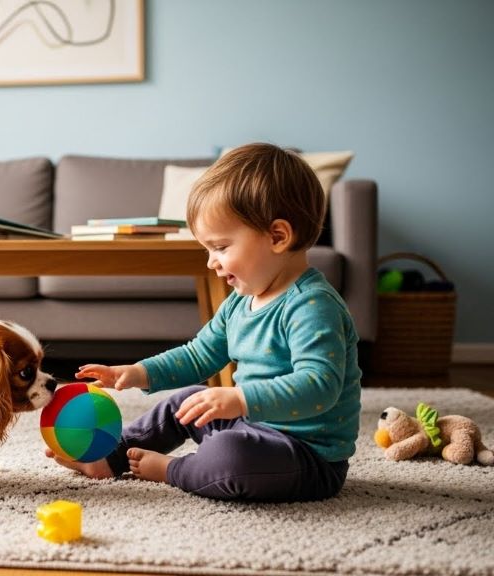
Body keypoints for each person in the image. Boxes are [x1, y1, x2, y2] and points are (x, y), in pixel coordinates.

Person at [48, 142, 362, 502]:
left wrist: (241, 399)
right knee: (186, 401)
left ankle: (171, 470)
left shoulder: (312, 306)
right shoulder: (240, 302)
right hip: (248, 425)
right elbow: (198, 356)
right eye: (207, 250)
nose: (211, 262)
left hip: (306, 457)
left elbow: (319, 385)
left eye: (221, 247)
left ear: (277, 237)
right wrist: (136, 373)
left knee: (229, 457)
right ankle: (111, 457)